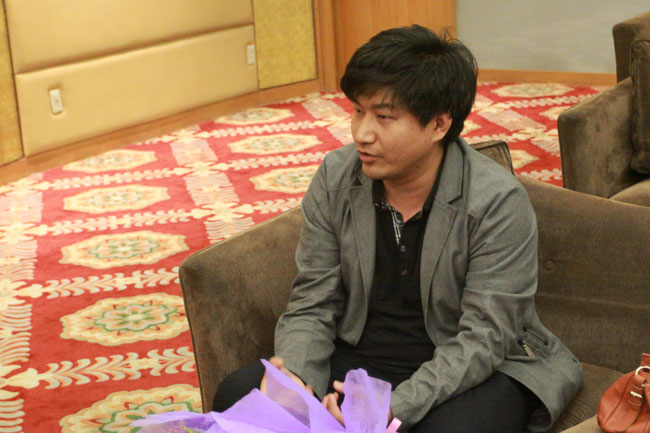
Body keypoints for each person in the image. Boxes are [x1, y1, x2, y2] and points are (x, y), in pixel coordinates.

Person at [213, 25, 583, 433]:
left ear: (439, 125)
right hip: (358, 358)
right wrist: (296, 382)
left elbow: (485, 337)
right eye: (358, 111)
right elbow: (312, 300)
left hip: (466, 365)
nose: (361, 133)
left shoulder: (496, 201)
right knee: (238, 394)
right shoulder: (337, 177)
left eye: (384, 117)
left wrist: (391, 407)